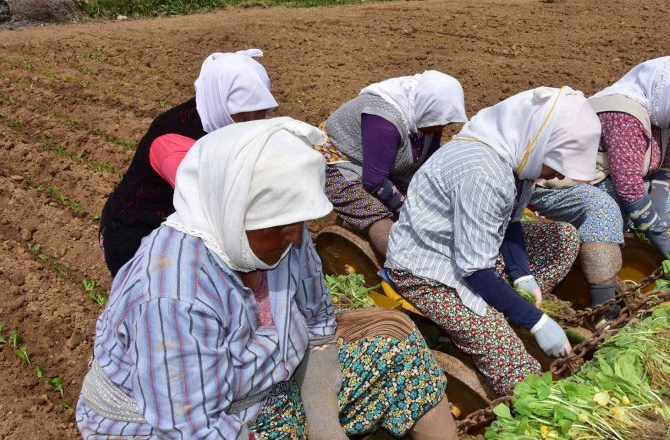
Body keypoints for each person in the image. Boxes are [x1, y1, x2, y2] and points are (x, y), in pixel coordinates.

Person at [76, 118, 457, 440]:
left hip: (262, 393)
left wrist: (323, 417)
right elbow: (190, 426)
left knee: (400, 361)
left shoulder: (285, 235)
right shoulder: (173, 295)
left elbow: (318, 318)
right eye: (279, 226)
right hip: (172, 428)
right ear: (231, 212)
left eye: (299, 222)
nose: (294, 236)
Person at [384, 86, 601, 395]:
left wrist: (521, 272)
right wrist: (536, 322)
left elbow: (510, 221)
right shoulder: (483, 171)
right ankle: (498, 322)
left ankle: (503, 306)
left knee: (563, 239)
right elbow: (474, 270)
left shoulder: (517, 156)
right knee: (517, 368)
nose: (553, 174)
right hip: (431, 270)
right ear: (541, 143)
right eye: (555, 163)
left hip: (472, 252)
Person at [529, 53, 670, 328]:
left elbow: (661, 168)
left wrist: (659, 208)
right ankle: (604, 309)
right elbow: (628, 187)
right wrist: (660, 236)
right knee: (602, 210)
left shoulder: (661, 115)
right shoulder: (624, 113)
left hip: (604, 181)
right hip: (557, 184)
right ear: (668, 95)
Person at [98, 49, 278, 277]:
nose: (252, 123)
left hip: (187, 229)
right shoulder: (173, 139)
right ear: (219, 101)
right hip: (138, 234)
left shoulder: (221, 123)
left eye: (261, 113)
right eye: (242, 114)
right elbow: (212, 205)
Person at [318, 71, 467, 256]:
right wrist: (412, 212)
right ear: (426, 108)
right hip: (340, 162)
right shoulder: (384, 121)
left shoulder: (427, 116)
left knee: (424, 202)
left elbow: (426, 166)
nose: (440, 128)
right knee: (374, 212)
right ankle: (404, 262)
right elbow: (375, 181)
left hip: (381, 165)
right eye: (438, 123)